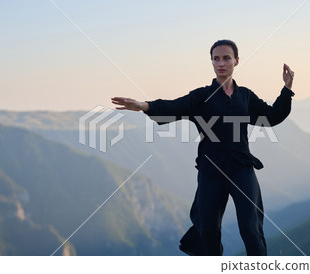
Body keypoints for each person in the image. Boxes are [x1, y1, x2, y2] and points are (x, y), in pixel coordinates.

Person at [112, 39, 294, 256]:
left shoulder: (245, 96)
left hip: (241, 167)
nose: (221, 63)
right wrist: (145, 106)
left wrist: (287, 89)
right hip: (211, 169)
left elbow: (271, 116)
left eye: (226, 58)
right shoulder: (201, 96)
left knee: (250, 227)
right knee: (208, 231)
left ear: (236, 61)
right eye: (216, 59)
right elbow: (174, 106)